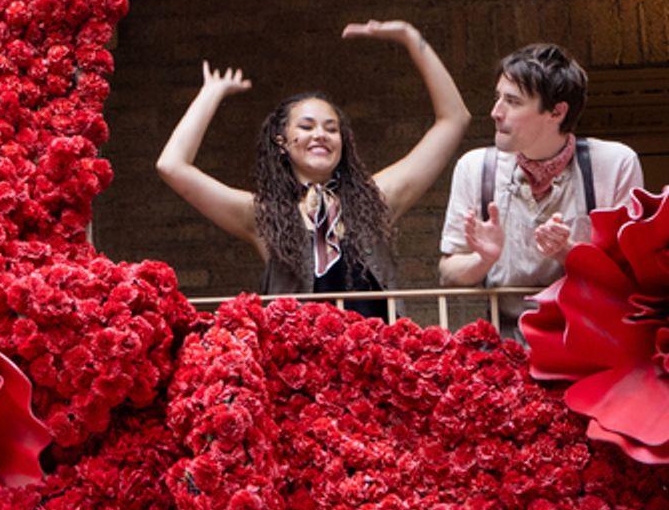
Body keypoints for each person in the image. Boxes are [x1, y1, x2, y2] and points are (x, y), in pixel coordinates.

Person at [157, 20, 470, 317]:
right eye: (306, 127)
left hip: (374, 363)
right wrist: (210, 94)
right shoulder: (263, 215)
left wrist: (410, 37)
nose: (320, 134)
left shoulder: (377, 199)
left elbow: (453, 120)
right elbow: (172, 166)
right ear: (282, 141)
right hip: (298, 369)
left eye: (331, 129)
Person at [438, 43, 642, 326]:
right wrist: (483, 260)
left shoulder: (614, 164)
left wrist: (569, 253)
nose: (496, 111)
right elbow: (448, 273)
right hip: (505, 343)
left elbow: (632, 276)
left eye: (513, 101)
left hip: (589, 338)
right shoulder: (475, 168)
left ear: (557, 112)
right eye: (498, 98)